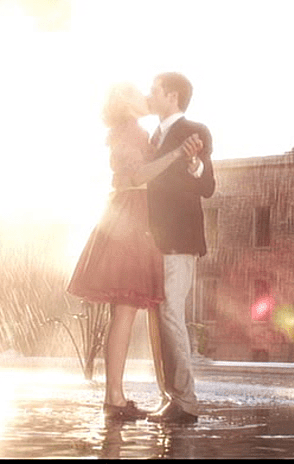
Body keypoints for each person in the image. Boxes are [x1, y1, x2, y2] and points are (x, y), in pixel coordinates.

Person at [66, 82, 202, 421]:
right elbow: (137, 174)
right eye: (134, 93)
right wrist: (174, 154)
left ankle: (115, 396)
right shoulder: (129, 130)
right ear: (123, 104)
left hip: (131, 216)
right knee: (124, 308)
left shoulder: (133, 130)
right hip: (130, 217)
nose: (143, 95)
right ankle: (114, 397)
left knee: (124, 310)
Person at [144, 72, 215, 425]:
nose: (148, 95)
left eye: (153, 90)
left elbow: (208, 186)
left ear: (171, 96)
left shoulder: (194, 131)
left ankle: (186, 401)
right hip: (150, 242)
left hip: (178, 240)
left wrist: (192, 164)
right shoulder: (151, 137)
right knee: (160, 317)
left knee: (171, 313)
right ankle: (171, 397)